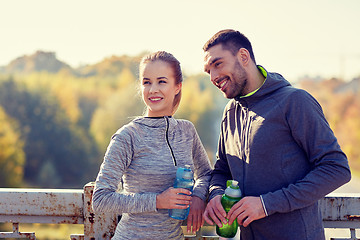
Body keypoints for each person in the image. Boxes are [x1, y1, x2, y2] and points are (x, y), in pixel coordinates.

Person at [202, 29, 351, 240]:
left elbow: (336, 168)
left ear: (243, 57)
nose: (214, 77)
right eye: (208, 71)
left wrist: (266, 204)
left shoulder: (295, 101)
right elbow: (222, 170)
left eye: (218, 64)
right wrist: (216, 194)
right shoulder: (231, 112)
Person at [92, 51, 212, 240]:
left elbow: (205, 174)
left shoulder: (187, 131)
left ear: (177, 87)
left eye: (162, 81)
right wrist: (157, 201)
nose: (153, 89)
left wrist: (198, 196)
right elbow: (100, 199)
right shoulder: (128, 136)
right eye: (147, 82)